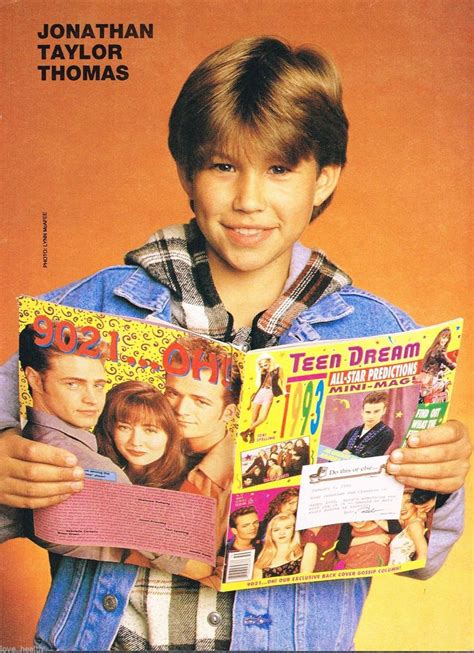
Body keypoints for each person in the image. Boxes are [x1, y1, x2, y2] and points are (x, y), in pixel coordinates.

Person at [0, 36, 470, 651]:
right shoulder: (92, 310)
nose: (249, 200)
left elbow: (422, 552)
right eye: (224, 166)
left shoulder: (378, 334)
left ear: (323, 180)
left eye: (279, 169)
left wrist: (439, 480)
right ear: (186, 173)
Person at [19, 323, 129, 484]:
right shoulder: (105, 472)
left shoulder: (22, 435)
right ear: (35, 380)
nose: (92, 399)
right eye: (73, 384)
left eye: (98, 386)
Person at [94, 380, 186, 490]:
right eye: (124, 428)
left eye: (150, 430)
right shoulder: (100, 471)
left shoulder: (187, 483)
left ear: (171, 434)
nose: (135, 441)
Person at [253, 512, 315, 578]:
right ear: (270, 533)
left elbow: (305, 577)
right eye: (276, 530)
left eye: (287, 528)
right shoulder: (262, 557)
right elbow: (257, 586)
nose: (282, 533)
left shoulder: (308, 548)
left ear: (294, 530)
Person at [335, 390, 394, 458]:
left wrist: (347, 455)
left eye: (376, 412)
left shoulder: (386, 433)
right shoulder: (353, 431)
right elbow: (334, 455)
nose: (371, 416)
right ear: (362, 412)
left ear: (384, 411)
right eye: (368, 412)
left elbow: (369, 459)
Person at [241, 354, 284, 442]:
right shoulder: (262, 372)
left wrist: (285, 390)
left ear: (270, 362)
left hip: (269, 393)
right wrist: (258, 372)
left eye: (265, 364)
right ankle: (251, 436)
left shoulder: (278, 369)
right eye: (262, 365)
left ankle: (245, 432)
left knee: (263, 418)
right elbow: (258, 385)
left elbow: (283, 380)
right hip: (260, 393)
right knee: (254, 418)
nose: (264, 367)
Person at [389, 491, 430, 565]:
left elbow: (423, 556)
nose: (402, 508)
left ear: (416, 504)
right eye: (398, 503)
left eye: (408, 502)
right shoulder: (408, 524)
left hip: (401, 571)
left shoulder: (414, 526)